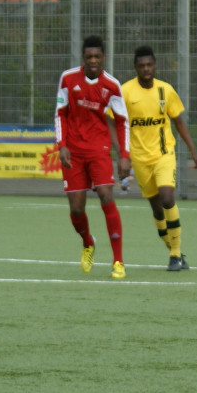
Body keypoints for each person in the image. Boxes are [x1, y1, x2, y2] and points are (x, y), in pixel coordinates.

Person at [122, 45, 197, 271]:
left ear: (155, 65)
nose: (146, 69)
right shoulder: (125, 92)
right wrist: (122, 155)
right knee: (157, 210)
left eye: (149, 65)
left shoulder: (165, 90)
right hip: (140, 159)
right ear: (136, 67)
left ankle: (175, 254)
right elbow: (116, 123)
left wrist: (194, 152)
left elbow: (179, 122)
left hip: (164, 154)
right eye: (142, 65)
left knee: (167, 198)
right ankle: (175, 252)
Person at [57, 35, 131, 279]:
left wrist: (124, 155)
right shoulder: (68, 79)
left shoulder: (112, 85)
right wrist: (62, 145)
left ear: (103, 57)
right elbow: (60, 113)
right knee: (76, 208)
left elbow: (122, 122)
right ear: (83, 57)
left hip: (99, 149)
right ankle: (88, 242)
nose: (93, 61)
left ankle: (118, 261)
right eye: (89, 56)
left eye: (97, 56)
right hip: (73, 151)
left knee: (106, 195)